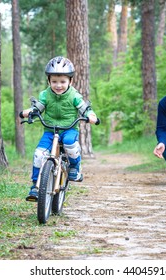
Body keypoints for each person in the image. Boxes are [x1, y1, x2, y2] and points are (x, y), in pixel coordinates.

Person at [21, 56, 98, 201]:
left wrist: (91, 115)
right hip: (50, 131)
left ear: (70, 81)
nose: (58, 85)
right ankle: (35, 187)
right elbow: (38, 108)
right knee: (38, 154)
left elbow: (84, 108)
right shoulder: (45, 95)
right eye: (54, 82)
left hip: (69, 129)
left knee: (70, 143)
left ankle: (75, 167)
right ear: (49, 81)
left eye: (63, 81)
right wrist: (29, 112)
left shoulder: (74, 95)